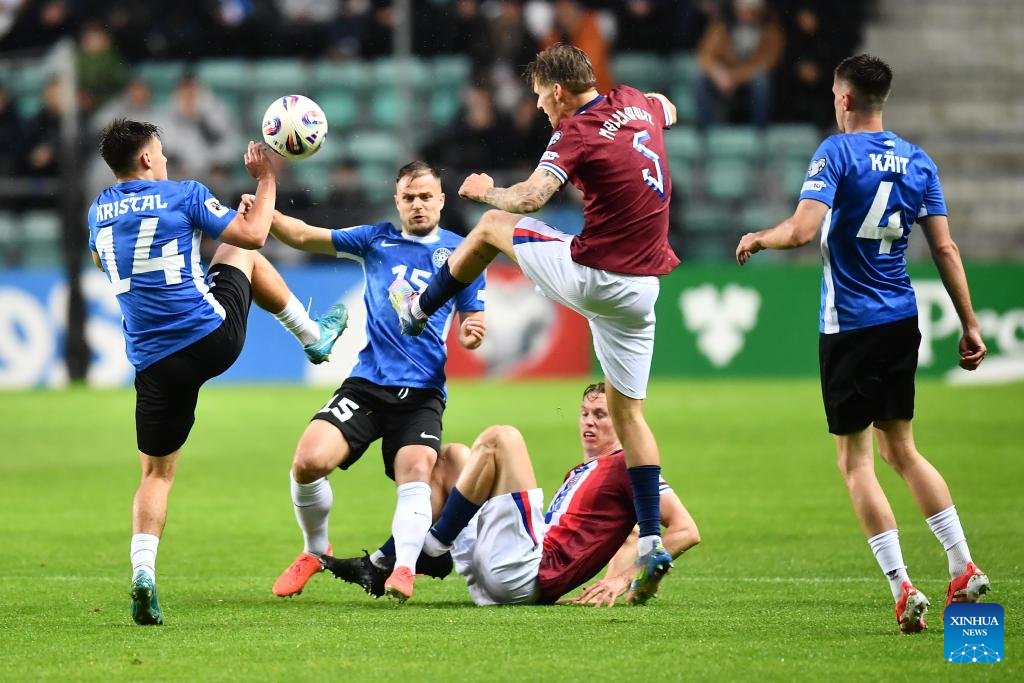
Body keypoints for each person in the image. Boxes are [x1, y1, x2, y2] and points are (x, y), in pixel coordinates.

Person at [388, 43, 680, 604]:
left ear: (560, 92)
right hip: (643, 290)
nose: (541, 108)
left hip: (597, 276)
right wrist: (649, 112)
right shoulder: (638, 102)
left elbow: (531, 197)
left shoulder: (575, 131)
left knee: (492, 225)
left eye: (542, 97)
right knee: (631, 416)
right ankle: (650, 541)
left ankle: (420, 308)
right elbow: (669, 106)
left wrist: (484, 192)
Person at [735, 54, 990, 633]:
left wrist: (759, 237)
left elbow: (801, 231)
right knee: (904, 450)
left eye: (834, 95)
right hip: (901, 319)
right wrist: (970, 324)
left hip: (849, 326)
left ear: (845, 98)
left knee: (855, 462)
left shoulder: (836, 153)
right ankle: (962, 564)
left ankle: (903, 587)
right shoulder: (918, 161)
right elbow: (945, 249)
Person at [88, 119, 348, 626]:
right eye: (161, 152)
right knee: (240, 250)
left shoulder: (98, 210)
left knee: (156, 474)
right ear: (147, 159)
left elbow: (104, 261)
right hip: (208, 339)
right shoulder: (183, 194)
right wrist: (266, 180)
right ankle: (313, 336)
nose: (166, 159)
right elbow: (253, 234)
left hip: (153, 363)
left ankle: (143, 573)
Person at [265, 161, 487, 604]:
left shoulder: (462, 253)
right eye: (410, 197)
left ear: (441, 200)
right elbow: (303, 235)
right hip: (367, 384)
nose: (418, 205)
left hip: (422, 392)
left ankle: (404, 568)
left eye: (426, 197)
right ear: (397, 201)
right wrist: (263, 208)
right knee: (308, 461)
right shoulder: (375, 240)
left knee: (417, 470)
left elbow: (472, 320)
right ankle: (314, 551)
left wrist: (471, 332)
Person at [326, 382, 700, 605]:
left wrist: (625, 578)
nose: (589, 422)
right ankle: (388, 561)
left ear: (622, 421)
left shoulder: (627, 466)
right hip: (495, 576)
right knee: (452, 457)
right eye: (585, 413)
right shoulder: (585, 472)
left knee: (502, 438)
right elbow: (624, 536)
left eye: (601, 415)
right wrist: (623, 574)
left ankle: (434, 547)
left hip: (526, 574)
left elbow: (685, 529)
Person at [694, 0, 783, 129]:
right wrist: (717, 73)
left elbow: (768, 62)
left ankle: (760, 130)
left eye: (751, 10)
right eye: (742, 9)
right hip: (725, 76)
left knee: (761, 81)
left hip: (749, 76)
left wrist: (735, 77)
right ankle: (709, 129)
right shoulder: (723, 25)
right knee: (699, 79)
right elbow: (705, 55)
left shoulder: (770, 29)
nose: (746, 13)